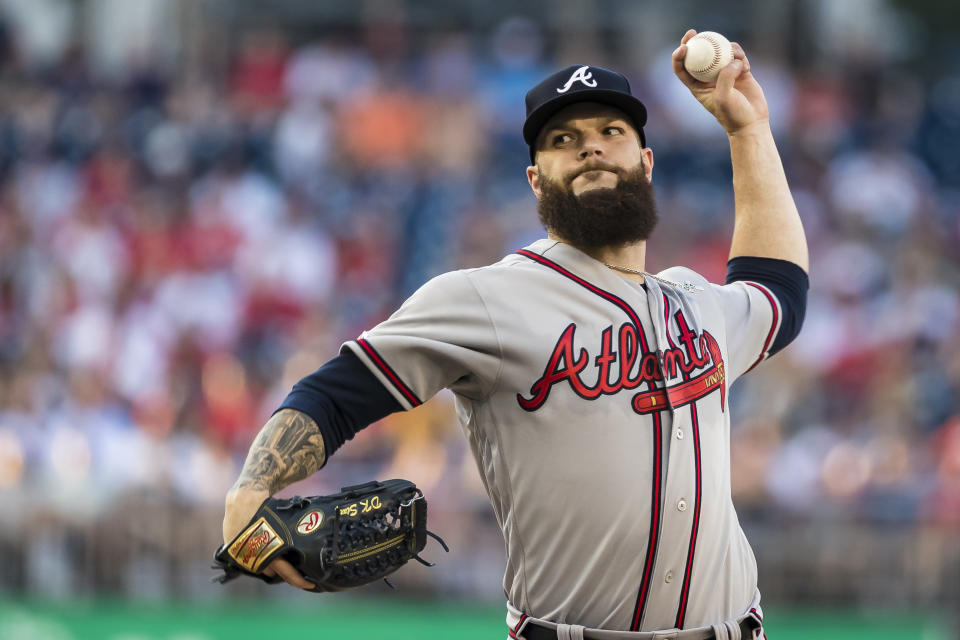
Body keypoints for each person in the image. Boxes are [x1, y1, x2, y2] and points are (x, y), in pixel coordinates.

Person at [222, 29, 808, 639]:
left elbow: (779, 292)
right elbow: (337, 392)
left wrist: (748, 130)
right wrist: (253, 486)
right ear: (535, 180)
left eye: (612, 133)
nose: (591, 149)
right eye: (564, 140)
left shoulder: (694, 300)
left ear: (646, 161)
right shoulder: (485, 298)